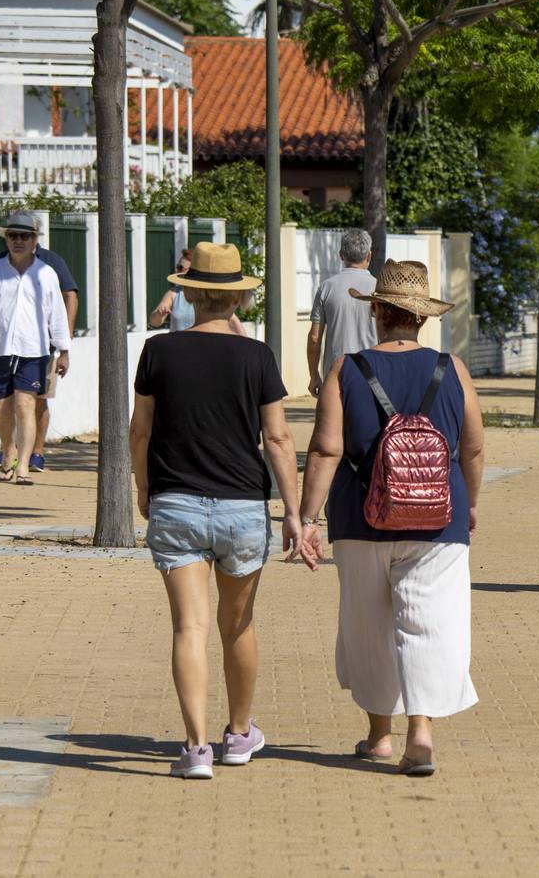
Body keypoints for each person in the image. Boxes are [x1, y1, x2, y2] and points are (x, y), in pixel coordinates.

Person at [297, 260, 484, 776]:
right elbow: (473, 446)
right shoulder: (453, 368)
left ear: (376, 310)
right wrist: (469, 503)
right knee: (429, 624)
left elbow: (326, 449)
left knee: (368, 625)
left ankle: (380, 736)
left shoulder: (346, 368)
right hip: (438, 520)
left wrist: (306, 517)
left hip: (360, 518)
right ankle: (420, 733)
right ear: (421, 317)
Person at [128, 242, 303, 779]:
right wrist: (294, 512)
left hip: (175, 502)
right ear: (236, 300)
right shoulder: (257, 356)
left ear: (190, 293)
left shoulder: (159, 351)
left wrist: (144, 488)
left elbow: (140, 430)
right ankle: (239, 734)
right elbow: (277, 438)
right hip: (242, 509)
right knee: (238, 625)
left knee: (189, 627)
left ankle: (195, 748)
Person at [0, 213, 72, 485]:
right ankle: (7, 450)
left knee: (26, 404)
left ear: (35, 240)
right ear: (6, 239)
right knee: (1, 408)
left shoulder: (46, 274)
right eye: (13, 236)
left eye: (25, 236)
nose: (18, 241)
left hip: (33, 349)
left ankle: (23, 465)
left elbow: (57, 314)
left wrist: (64, 351)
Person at [307, 229, 378, 396]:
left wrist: (314, 375)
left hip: (335, 374)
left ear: (341, 255)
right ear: (369, 255)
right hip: (372, 374)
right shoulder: (379, 288)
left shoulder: (326, 287)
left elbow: (314, 337)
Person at [151, 248, 247, 335]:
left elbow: (233, 320)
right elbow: (155, 322)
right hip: (178, 347)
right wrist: (160, 313)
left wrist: (246, 343)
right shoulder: (174, 293)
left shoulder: (207, 294)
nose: (177, 270)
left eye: (181, 267)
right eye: (177, 266)